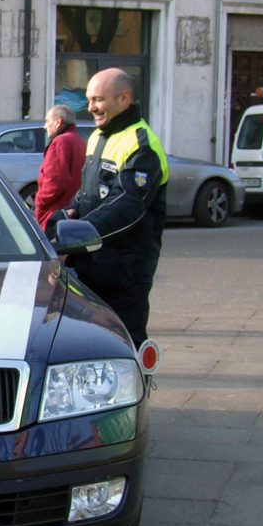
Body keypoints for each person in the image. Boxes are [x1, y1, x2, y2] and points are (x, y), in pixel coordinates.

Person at [48, 68, 168, 349]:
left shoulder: (142, 144)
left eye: (98, 100)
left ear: (124, 98)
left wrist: (80, 233)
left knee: (125, 343)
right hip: (91, 264)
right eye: (89, 100)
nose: (90, 108)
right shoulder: (99, 137)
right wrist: (64, 217)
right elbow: (88, 194)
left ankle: (139, 390)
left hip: (126, 269)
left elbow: (128, 204)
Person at [34, 104, 87, 232]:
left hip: (55, 214)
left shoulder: (60, 142)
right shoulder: (80, 141)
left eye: (47, 121)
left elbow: (55, 182)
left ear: (58, 122)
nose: (45, 126)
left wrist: (39, 203)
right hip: (71, 213)